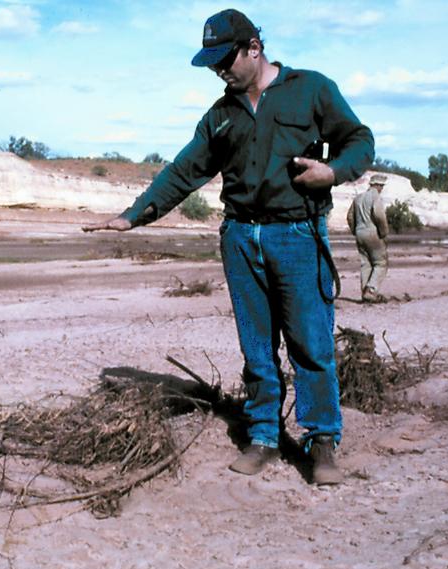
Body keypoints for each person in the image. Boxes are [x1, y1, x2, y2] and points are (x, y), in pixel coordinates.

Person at [83, 8, 374, 485]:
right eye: (212, 63)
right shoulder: (220, 115)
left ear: (253, 49)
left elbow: (360, 141)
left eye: (224, 60)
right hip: (240, 237)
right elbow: (182, 172)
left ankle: (322, 443)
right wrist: (133, 215)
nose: (219, 71)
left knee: (311, 345)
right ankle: (262, 437)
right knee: (257, 348)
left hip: (298, 234)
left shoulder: (311, 88)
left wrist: (333, 172)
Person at [348, 173, 390, 302]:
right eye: (381, 186)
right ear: (378, 185)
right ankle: (371, 290)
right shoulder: (375, 196)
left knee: (365, 264)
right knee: (381, 263)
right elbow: (378, 215)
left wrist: (356, 231)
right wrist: (384, 232)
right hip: (372, 232)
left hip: (359, 232)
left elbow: (350, 217)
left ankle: (364, 293)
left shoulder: (358, 198)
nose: (382, 189)